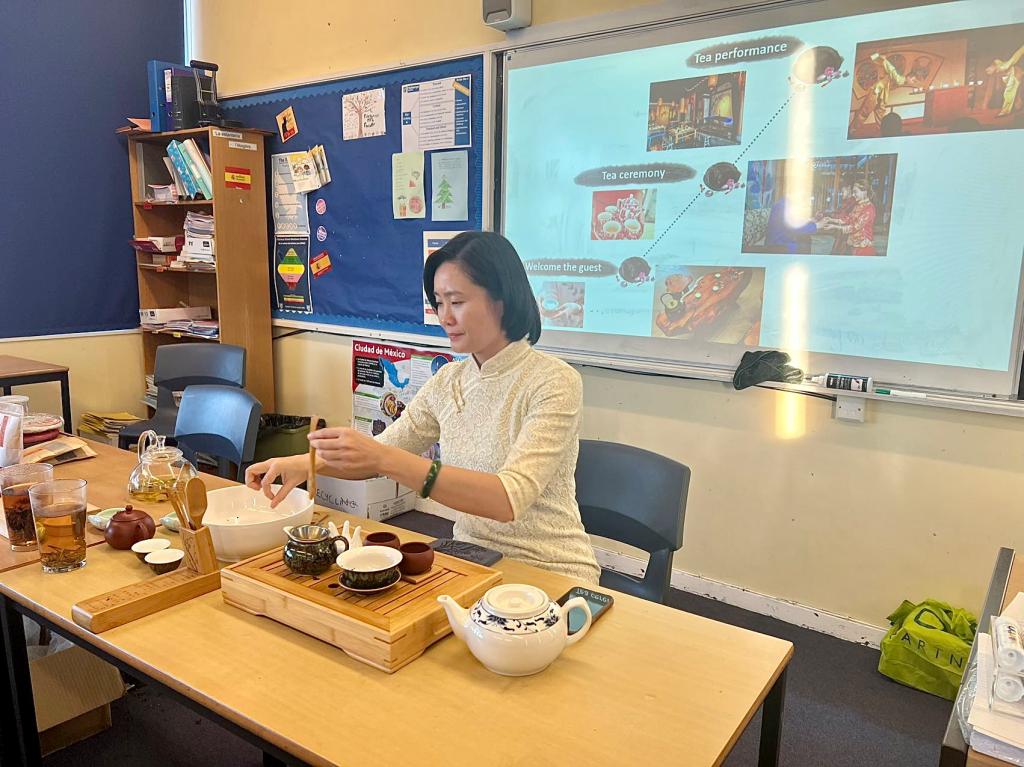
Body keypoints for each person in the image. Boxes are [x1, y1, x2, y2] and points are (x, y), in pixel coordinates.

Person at [245, 231, 601, 583]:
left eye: (456, 302)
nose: (445, 317)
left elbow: (508, 499)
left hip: (550, 567)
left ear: (502, 299)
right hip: (473, 558)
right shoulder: (449, 381)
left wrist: (383, 458)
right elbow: (379, 451)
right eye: (439, 303)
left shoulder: (554, 381)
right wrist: (303, 465)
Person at [818, 180, 877, 256]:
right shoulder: (858, 205)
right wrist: (831, 219)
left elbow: (855, 227)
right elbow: (848, 219)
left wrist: (834, 226)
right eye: (853, 192)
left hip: (863, 246)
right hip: (853, 244)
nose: (853, 195)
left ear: (864, 192)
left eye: (855, 192)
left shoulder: (869, 208)